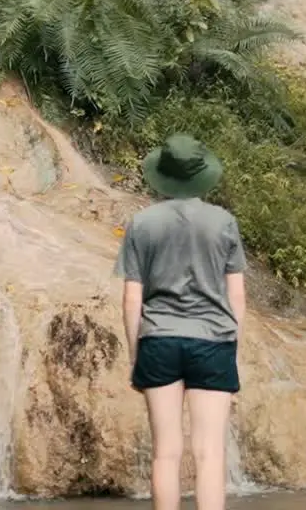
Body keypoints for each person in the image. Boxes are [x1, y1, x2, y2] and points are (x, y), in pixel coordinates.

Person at [114, 133, 247, 510]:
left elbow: (131, 297)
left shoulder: (142, 224)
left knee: (165, 454)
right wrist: (231, 345)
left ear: (163, 175)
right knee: (210, 454)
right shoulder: (223, 222)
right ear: (202, 176)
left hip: (159, 341)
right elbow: (236, 295)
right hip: (213, 342)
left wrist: (134, 353)